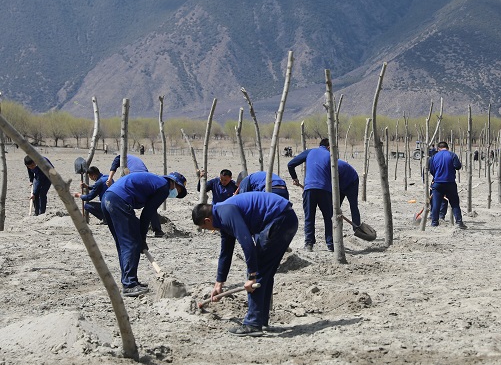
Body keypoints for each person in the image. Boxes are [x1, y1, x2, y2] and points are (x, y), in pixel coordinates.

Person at [192, 192, 298, 336]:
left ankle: (253, 323)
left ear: (207, 221)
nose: (210, 231)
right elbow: (226, 252)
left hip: (279, 219)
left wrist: (252, 275)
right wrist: (219, 283)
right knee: (266, 273)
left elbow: (247, 243)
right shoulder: (221, 215)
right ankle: (260, 319)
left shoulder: (226, 212)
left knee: (259, 272)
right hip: (286, 219)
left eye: (205, 228)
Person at [101, 171, 187, 297]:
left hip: (107, 198)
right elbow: (147, 214)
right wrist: (141, 238)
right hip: (118, 200)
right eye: (179, 190)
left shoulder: (156, 182)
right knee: (132, 243)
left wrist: (141, 238)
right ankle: (129, 284)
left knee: (123, 243)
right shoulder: (163, 187)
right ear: (175, 184)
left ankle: (129, 281)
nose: (176, 194)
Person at [287, 138, 333, 252]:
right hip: (325, 190)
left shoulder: (310, 152)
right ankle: (331, 244)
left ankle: (309, 244)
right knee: (328, 218)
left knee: (309, 217)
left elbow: (290, 164)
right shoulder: (331, 156)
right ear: (328, 147)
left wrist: (295, 178)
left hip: (309, 189)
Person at [106, 154, 165, 237]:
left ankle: (132, 228)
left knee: (126, 202)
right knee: (150, 205)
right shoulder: (134, 160)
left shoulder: (120, 157)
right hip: (146, 178)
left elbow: (113, 168)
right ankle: (158, 230)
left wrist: (109, 179)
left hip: (135, 179)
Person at [428, 141, 466, 229]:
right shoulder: (452, 155)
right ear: (447, 148)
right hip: (450, 183)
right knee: (455, 203)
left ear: (438, 149)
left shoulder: (434, 157)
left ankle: (434, 223)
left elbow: (432, 170)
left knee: (436, 203)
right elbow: (458, 166)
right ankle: (459, 222)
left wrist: (437, 176)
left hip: (438, 183)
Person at [338, 159, 360, 227]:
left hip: (351, 182)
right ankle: (334, 227)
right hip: (340, 183)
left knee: (353, 205)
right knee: (335, 206)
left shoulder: (335, 166)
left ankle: (357, 227)